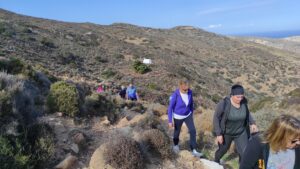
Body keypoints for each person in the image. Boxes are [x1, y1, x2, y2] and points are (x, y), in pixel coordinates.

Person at [213, 84, 258, 163]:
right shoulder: (224, 104)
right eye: (238, 97)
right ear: (232, 95)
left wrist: (252, 123)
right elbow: (216, 118)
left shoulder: (244, 102)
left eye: (242, 96)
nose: (240, 99)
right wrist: (219, 134)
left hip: (241, 132)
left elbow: (247, 113)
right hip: (226, 133)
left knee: (245, 153)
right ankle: (216, 161)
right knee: (222, 150)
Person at [167, 80, 203, 157]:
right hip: (178, 116)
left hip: (188, 115)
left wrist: (191, 113)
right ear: (180, 87)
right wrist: (170, 121)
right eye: (184, 89)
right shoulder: (175, 95)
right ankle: (176, 145)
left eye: (187, 89)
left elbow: (191, 104)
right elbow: (170, 108)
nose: (186, 91)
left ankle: (194, 150)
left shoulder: (190, 92)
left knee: (193, 130)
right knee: (177, 131)